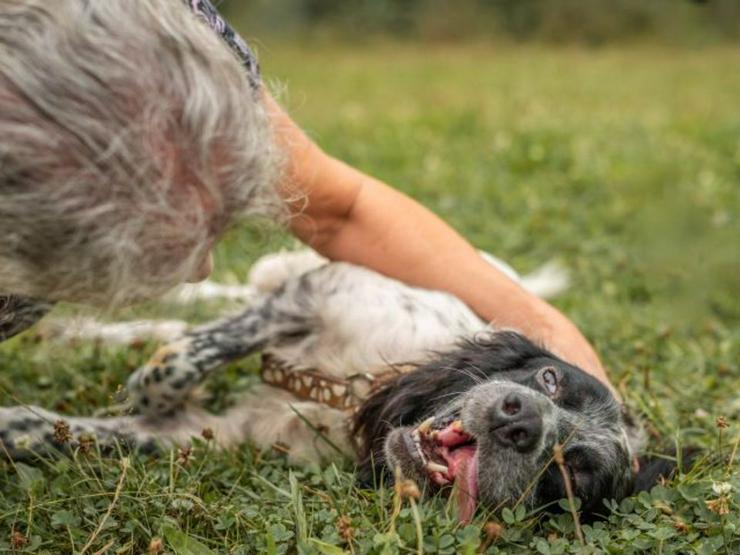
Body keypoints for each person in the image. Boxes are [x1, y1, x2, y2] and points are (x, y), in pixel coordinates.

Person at [0, 0, 615, 397]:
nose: (202, 270)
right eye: (141, 251)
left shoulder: (186, 35)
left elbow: (337, 209)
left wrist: (544, 327)